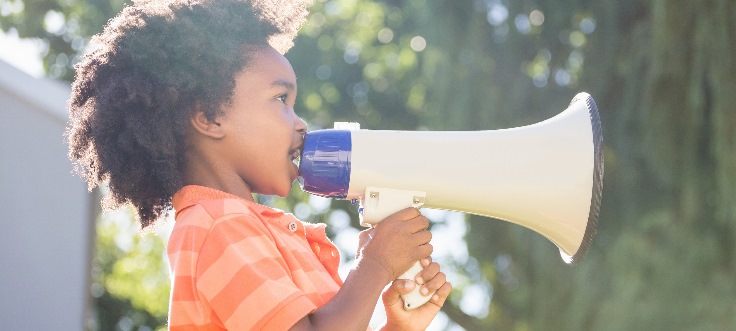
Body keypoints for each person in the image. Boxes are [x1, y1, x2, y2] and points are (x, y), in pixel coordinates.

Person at [66, 0, 451, 330]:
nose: (301, 122)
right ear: (210, 117)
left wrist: (397, 325)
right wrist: (375, 264)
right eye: (281, 99)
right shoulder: (217, 226)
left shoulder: (246, 228)